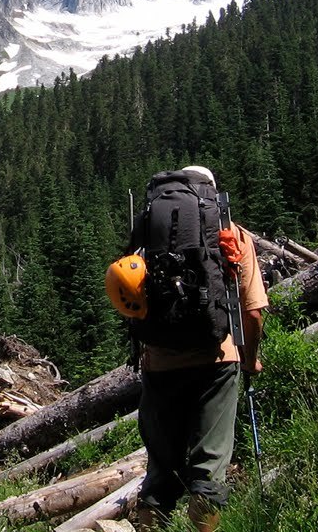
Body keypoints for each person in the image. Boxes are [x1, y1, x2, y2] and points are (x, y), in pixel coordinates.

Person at [131, 166, 268, 532]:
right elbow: (253, 311)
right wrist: (250, 359)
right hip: (217, 361)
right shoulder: (233, 237)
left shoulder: (148, 236)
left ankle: (150, 524)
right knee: (208, 471)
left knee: (160, 473)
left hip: (159, 363)